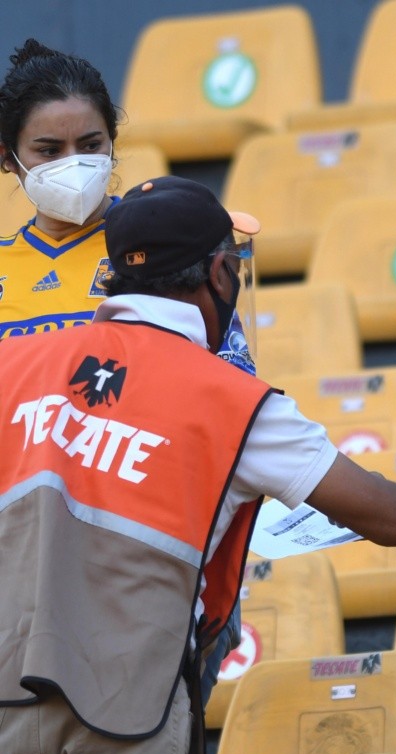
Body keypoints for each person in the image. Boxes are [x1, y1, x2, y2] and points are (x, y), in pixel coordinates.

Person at [0, 175, 396, 754]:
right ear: (221, 273)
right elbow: (394, 519)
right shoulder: (237, 403)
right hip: (126, 719)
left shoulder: (14, 365)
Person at [0, 38, 251, 704]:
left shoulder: (165, 252)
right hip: (21, 563)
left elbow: (231, 394)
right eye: (49, 152)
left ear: (115, 143)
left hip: (148, 554)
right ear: (8, 158)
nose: (75, 165)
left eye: (92, 144)